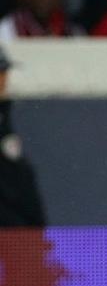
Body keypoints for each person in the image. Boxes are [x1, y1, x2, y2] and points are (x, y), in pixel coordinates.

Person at [0, 46, 46, 227]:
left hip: (19, 234)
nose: (4, 79)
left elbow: (19, 177)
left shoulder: (7, 113)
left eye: (5, 72)